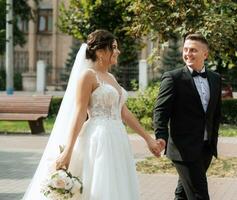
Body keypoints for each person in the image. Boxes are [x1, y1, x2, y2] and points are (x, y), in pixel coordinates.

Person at [22, 29, 161, 200]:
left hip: (118, 138)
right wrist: (68, 152)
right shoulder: (88, 76)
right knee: (101, 186)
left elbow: (123, 112)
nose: (118, 51)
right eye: (114, 47)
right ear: (101, 52)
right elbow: (80, 114)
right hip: (98, 139)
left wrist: (148, 139)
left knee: (118, 185)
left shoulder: (111, 77)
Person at [154, 33, 222, 200]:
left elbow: (216, 112)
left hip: (206, 147)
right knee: (199, 195)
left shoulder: (215, 78)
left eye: (193, 50)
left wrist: (213, 139)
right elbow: (161, 110)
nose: (188, 54)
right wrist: (161, 136)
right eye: (185, 49)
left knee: (183, 194)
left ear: (205, 54)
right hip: (183, 148)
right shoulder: (173, 78)